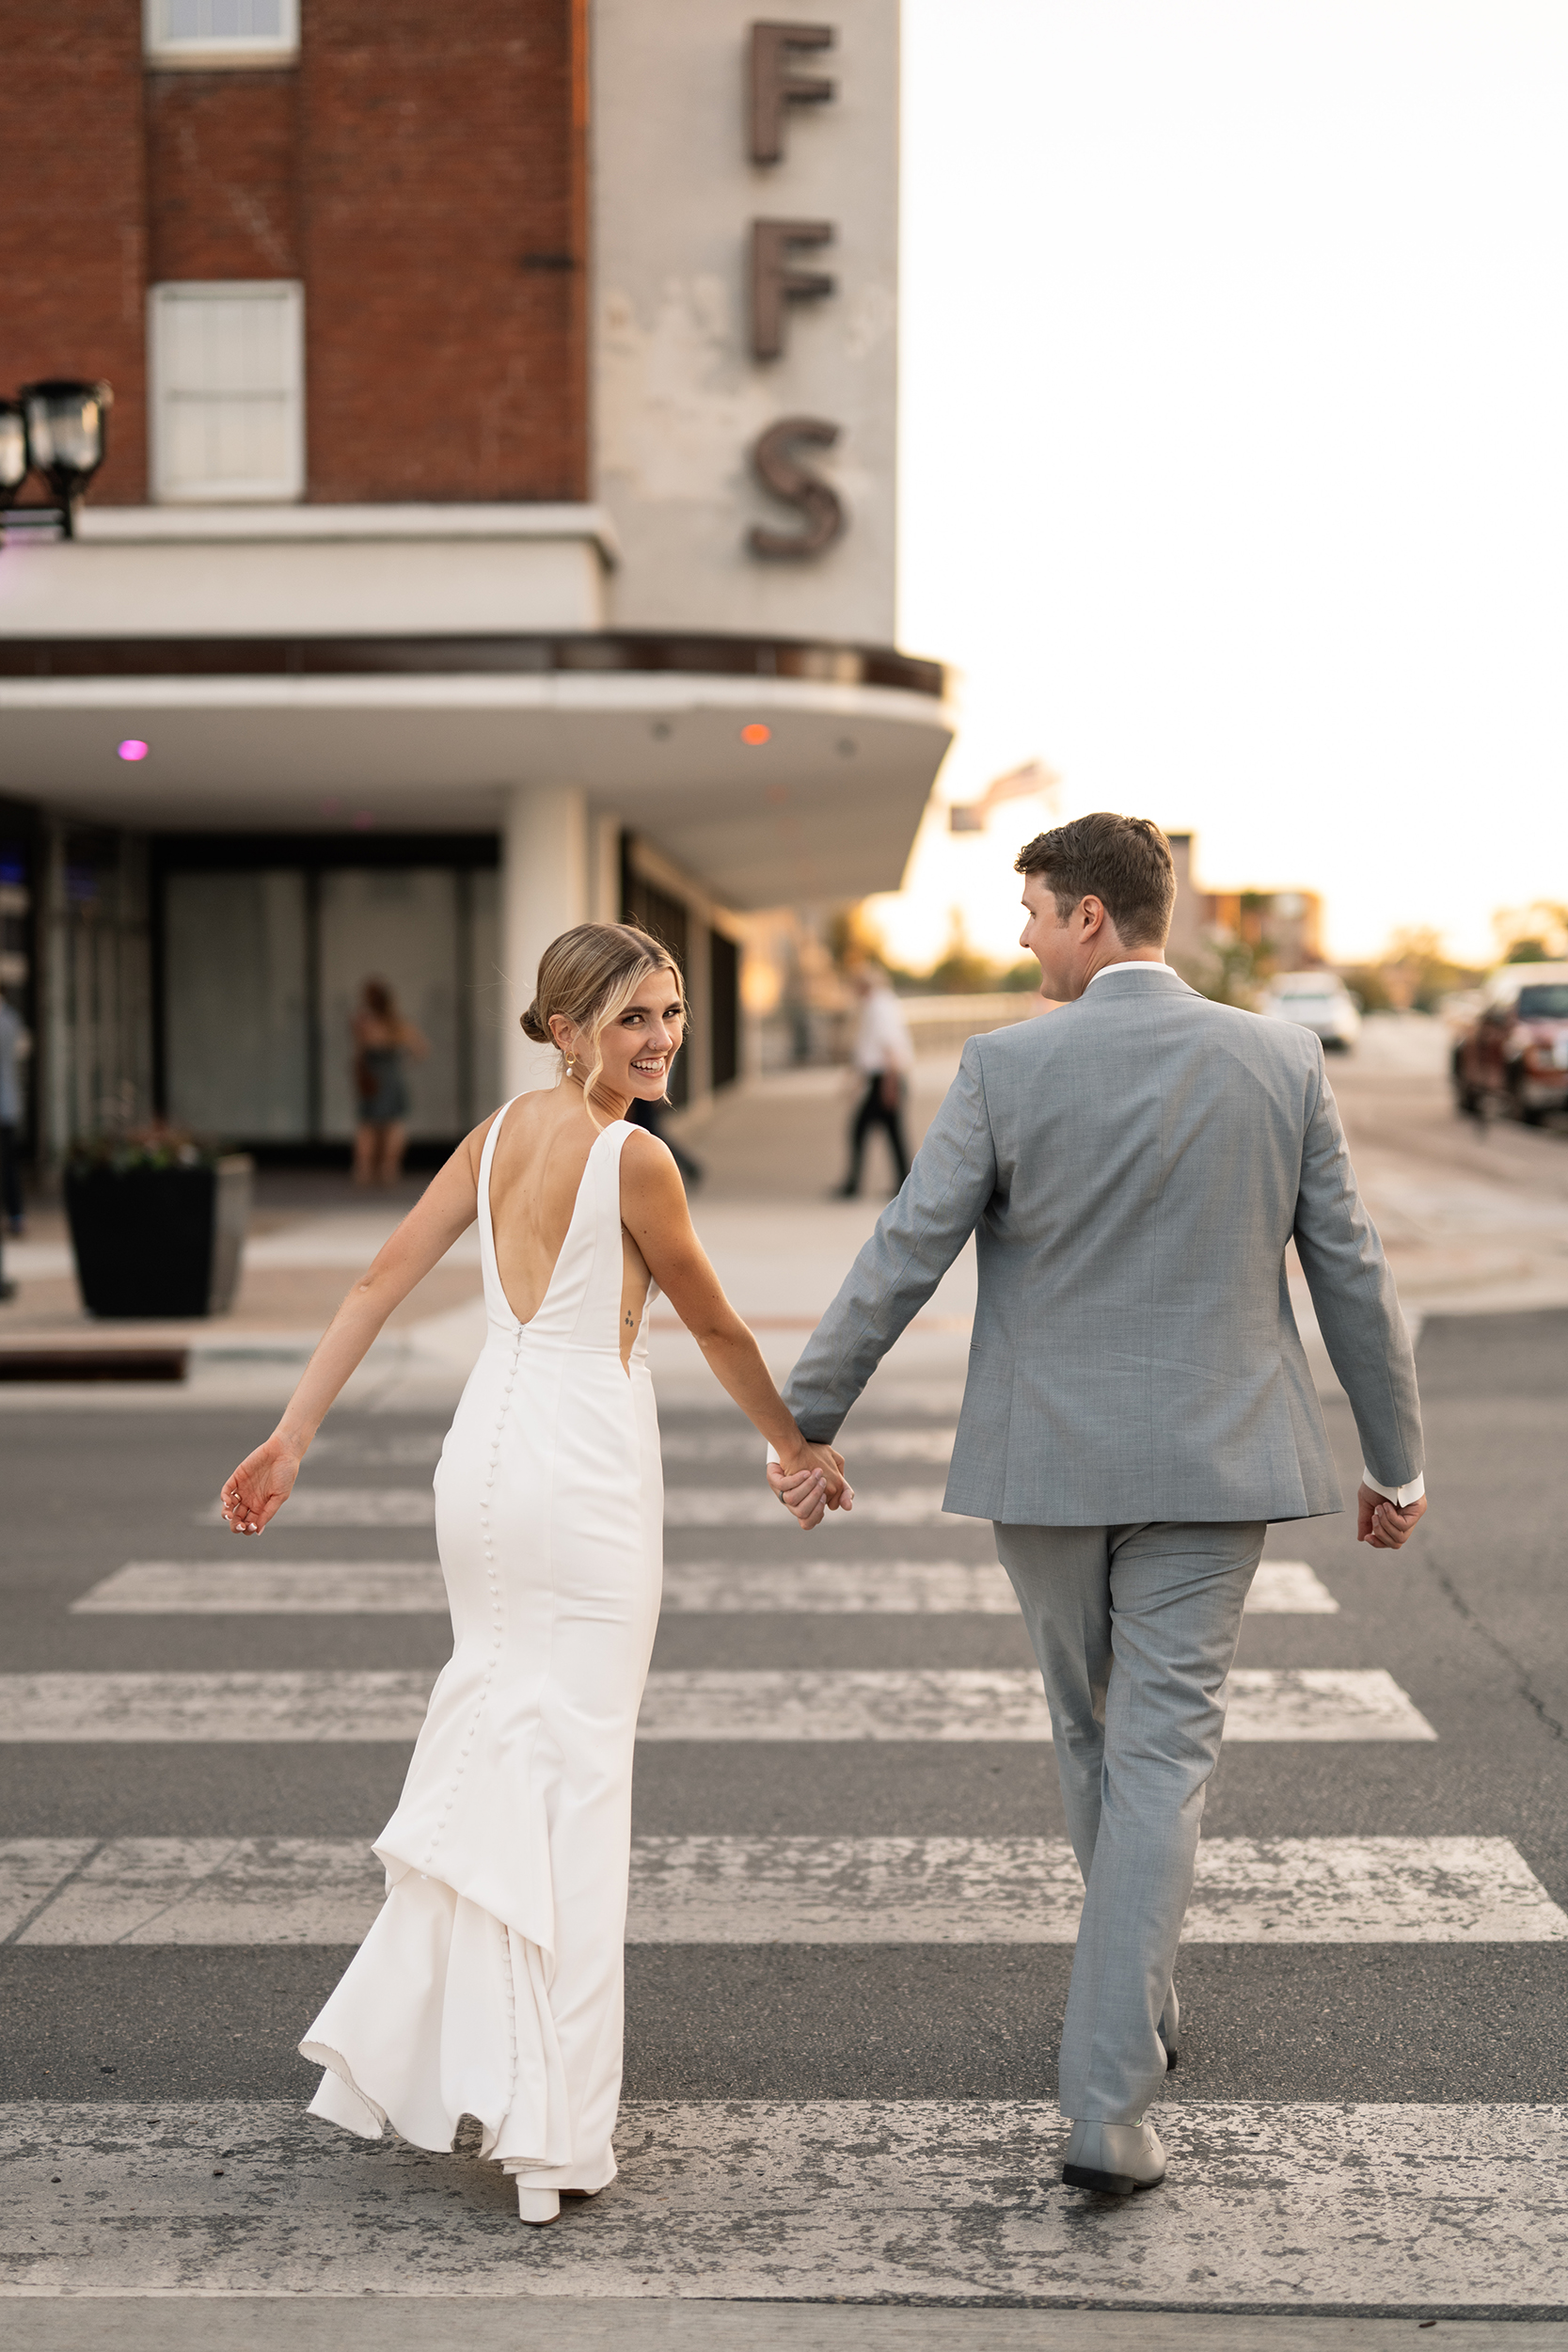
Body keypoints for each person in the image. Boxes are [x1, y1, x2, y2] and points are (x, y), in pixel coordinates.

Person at [768, 813, 1426, 2201]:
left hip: (1047, 1471)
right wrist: (1394, 1460)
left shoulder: (1005, 1066)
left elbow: (905, 1249)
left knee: (1095, 1733)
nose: (1017, 936)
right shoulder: (1276, 1058)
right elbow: (1348, 1273)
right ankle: (1125, 2040)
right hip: (1214, 1466)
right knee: (1160, 1759)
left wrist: (803, 1418)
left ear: (1087, 917)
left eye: (1027, 911)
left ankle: (1107, 2091)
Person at [218, 923, 847, 2226]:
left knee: (511, 1746)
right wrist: (792, 1447)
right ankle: (554, 2128)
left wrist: (296, 1433)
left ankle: (496, 2076)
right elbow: (715, 1321)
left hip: (484, 1469)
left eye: (668, 1012)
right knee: (575, 1783)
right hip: (581, 1471)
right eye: (629, 1017)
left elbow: (376, 1282)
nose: (659, 1037)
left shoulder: (495, 1135)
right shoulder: (635, 1159)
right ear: (563, 1028)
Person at [835, 962, 912, 1196]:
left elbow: (889, 1046)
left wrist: (890, 1085)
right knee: (893, 1134)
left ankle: (853, 1185)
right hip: (883, 1078)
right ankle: (903, 1183)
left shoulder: (878, 1006)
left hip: (886, 1079)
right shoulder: (880, 1004)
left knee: (860, 1129)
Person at [351, 978, 429, 1187]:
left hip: (374, 1076)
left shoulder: (366, 1023)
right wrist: (401, 1063)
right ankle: (389, 1170)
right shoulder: (397, 1024)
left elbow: (360, 1049)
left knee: (369, 1126)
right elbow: (420, 1049)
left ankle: (365, 1171)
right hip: (391, 1076)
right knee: (393, 1125)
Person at [0, 993, 28, 1234]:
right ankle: (16, 1214)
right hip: (9, 1104)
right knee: (8, 1164)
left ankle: (16, 1215)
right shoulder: (11, 1018)